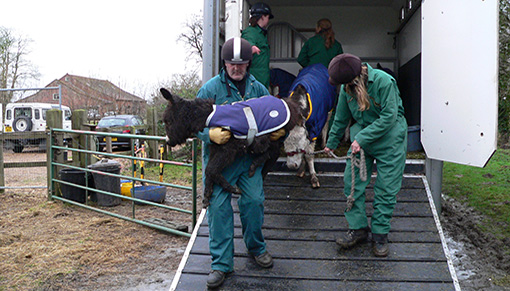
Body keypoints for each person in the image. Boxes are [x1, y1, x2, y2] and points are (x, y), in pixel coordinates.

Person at [196, 37, 283, 289]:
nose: (236, 68)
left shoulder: (259, 90)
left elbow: (272, 116)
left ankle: (256, 248)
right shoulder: (210, 90)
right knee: (219, 209)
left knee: (254, 202)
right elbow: (193, 123)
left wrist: (278, 132)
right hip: (219, 163)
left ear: (248, 63)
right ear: (224, 63)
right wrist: (207, 134)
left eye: (241, 64)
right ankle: (221, 264)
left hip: (247, 160)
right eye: (231, 64)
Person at [324, 53, 407, 257]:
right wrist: (331, 143)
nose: (341, 87)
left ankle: (380, 234)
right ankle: (358, 228)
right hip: (361, 139)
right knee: (351, 183)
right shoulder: (346, 88)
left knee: (386, 187)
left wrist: (362, 138)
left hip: (390, 138)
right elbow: (341, 117)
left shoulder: (383, 82)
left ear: (352, 78)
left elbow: (389, 117)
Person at [241, 2, 273, 89]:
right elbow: (246, 44)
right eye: (267, 17)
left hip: (263, 80)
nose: (268, 20)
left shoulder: (262, 34)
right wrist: (251, 48)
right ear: (262, 17)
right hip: (254, 82)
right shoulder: (250, 32)